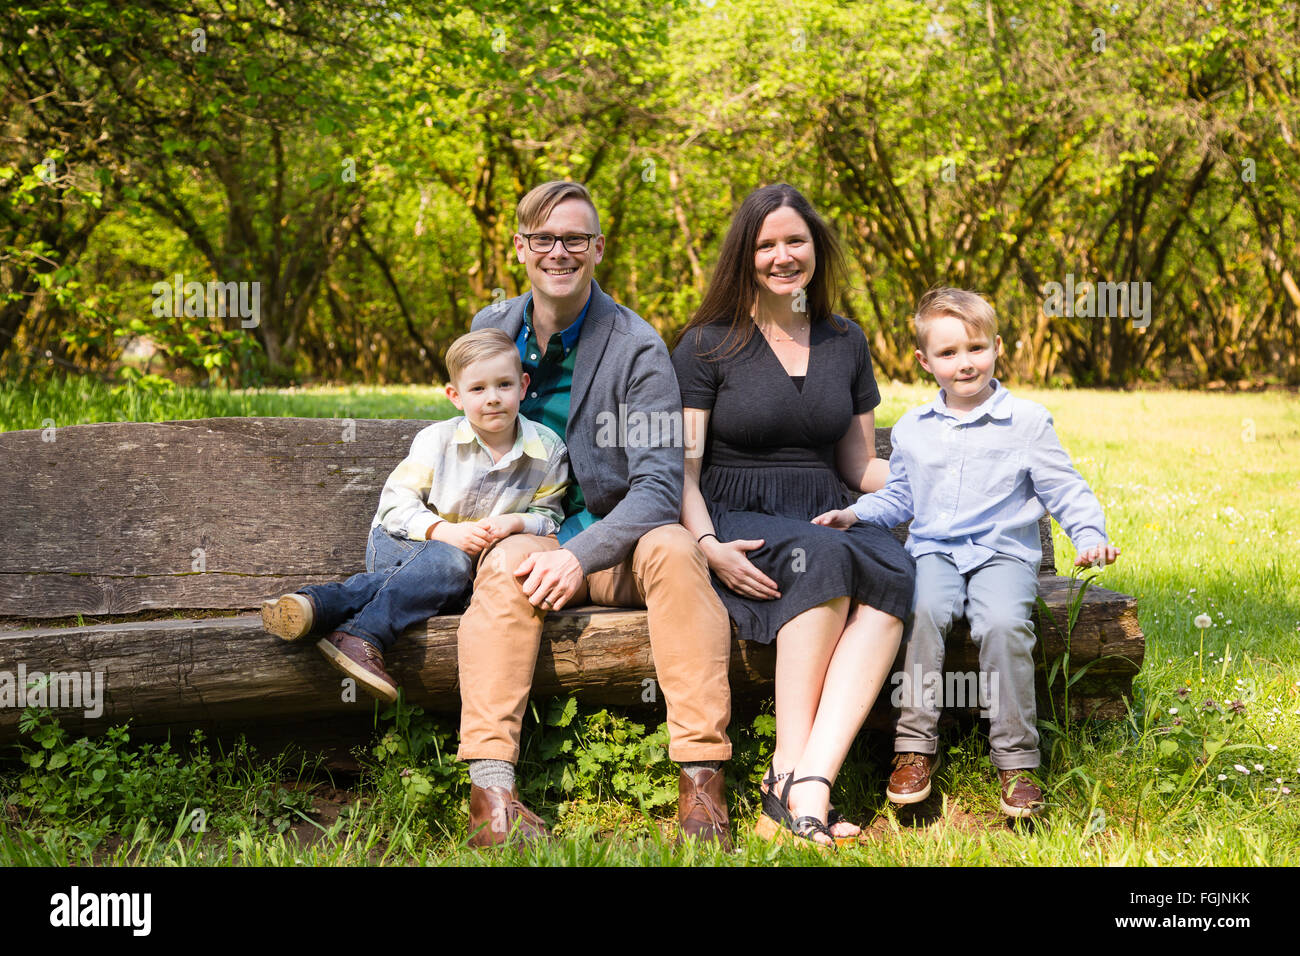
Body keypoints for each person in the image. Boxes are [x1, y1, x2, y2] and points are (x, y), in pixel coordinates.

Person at [460, 181, 735, 849]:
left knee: (676, 548)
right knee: (501, 571)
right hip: (527, 539)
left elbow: (658, 486)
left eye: (575, 238)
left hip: (614, 547)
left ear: (598, 248)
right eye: (544, 239)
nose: (560, 251)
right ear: (521, 249)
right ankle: (491, 800)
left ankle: (702, 789)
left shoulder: (636, 345)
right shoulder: (489, 329)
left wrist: (577, 556)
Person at [672, 183, 916, 849]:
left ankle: (806, 782)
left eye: (795, 241)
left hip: (824, 510)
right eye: (767, 244)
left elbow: (860, 465)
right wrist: (705, 544)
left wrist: (947, 474)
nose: (784, 255)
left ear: (816, 248)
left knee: (894, 564)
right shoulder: (707, 344)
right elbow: (682, 470)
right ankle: (786, 774)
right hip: (736, 512)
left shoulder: (846, 339)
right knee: (831, 556)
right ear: (744, 256)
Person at [814, 287, 1120, 818]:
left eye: (976, 348)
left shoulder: (1026, 422)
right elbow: (901, 496)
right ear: (924, 360)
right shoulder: (914, 429)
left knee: (1002, 623)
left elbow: (1064, 487)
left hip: (1002, 555)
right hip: (935, 552)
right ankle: (913, 749)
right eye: (948, 353)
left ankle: (1017, 762)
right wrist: (856, 513)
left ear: (997, 347)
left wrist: (1088, 533)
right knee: (923, 611)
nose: (964, 362)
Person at [259, 329, 569, 711]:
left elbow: (549, 517)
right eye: (477, 389)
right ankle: (360, 636)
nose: (492, 398)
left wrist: (515, 524)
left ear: (523, 386)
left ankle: (319, 605)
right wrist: (445, 531)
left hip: (468, 572)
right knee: (450, 562)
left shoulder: (547, 449)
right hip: (402, 542)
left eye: (504, 384)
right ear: (454, 396)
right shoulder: (436, 441)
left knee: (468, 586)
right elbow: (395, 507)